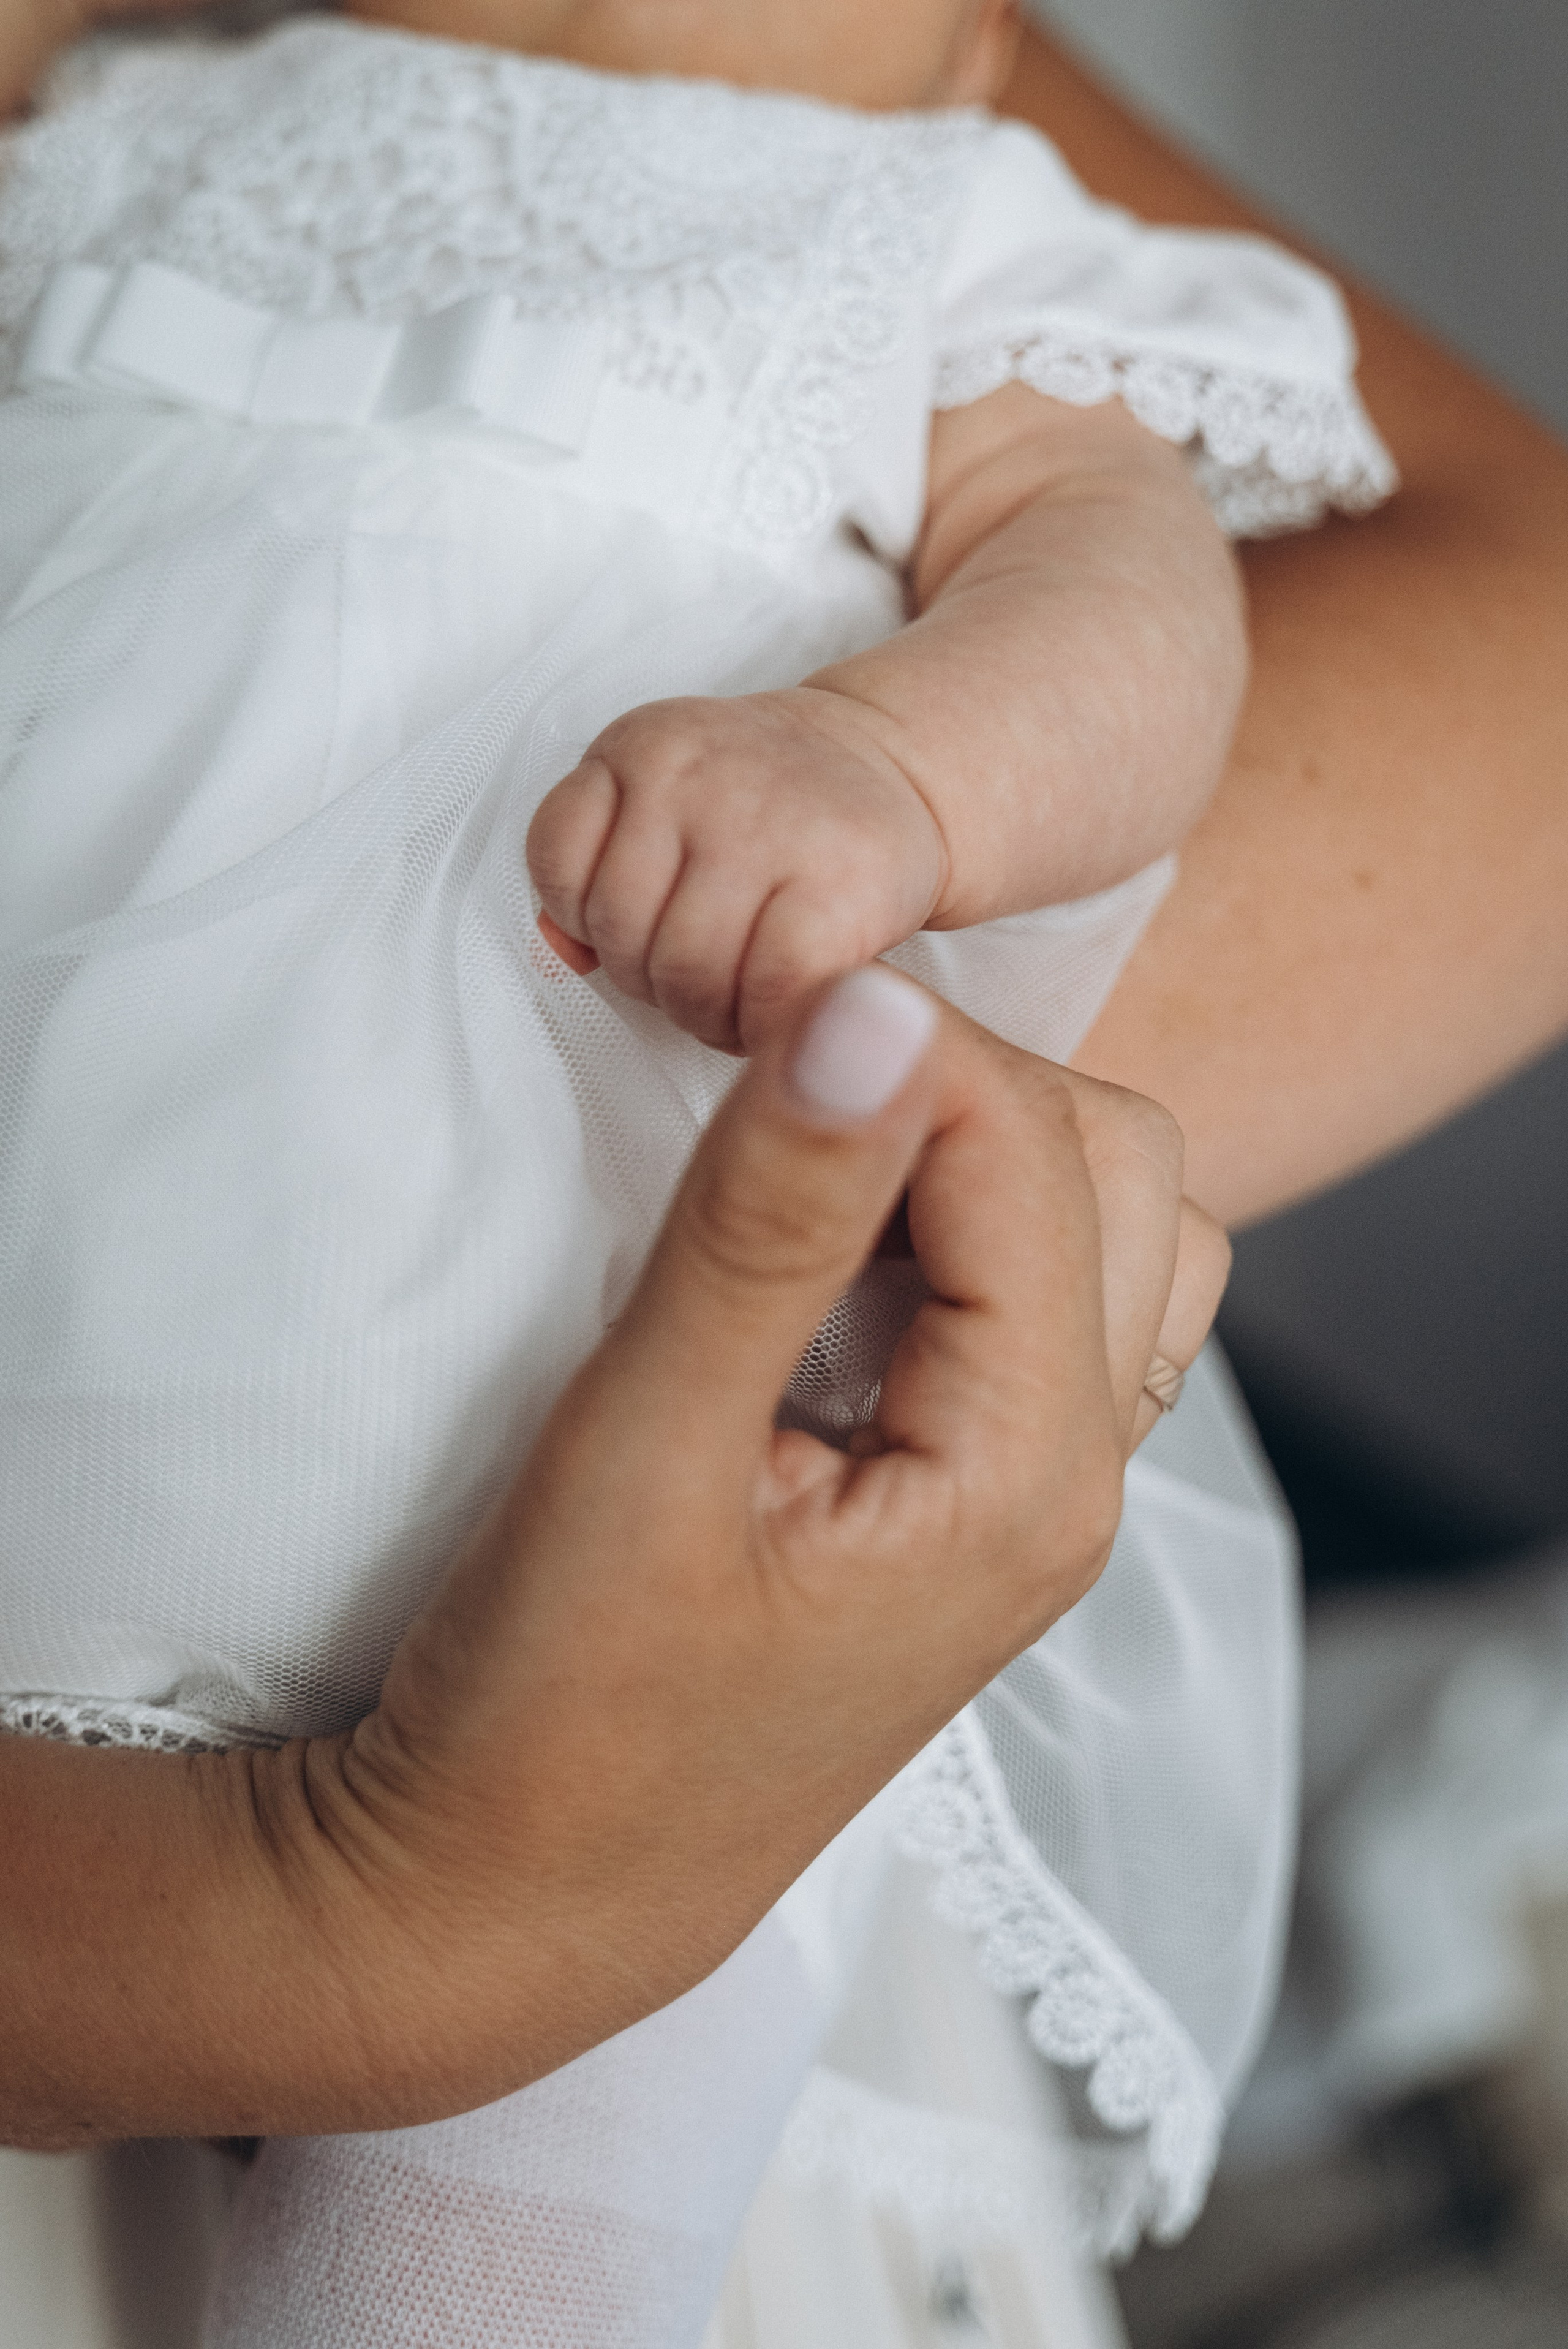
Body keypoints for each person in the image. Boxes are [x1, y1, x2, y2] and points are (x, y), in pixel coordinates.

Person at [0, 0, 1395, 2329]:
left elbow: (1137, 607)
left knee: (638, 1940)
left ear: (978, 39)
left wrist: (891, 769)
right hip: (83, 1246)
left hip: (581, 1358)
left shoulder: (944, 227)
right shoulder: (127, 121)